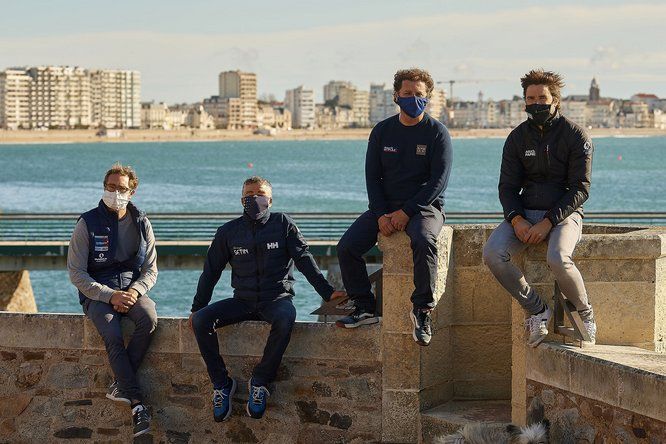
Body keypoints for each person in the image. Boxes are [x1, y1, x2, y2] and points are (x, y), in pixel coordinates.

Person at [188, 176, 345, 422]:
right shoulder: (228, 232)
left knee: (286, 318)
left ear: (269, 200)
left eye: (259, 193)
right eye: (248, 194)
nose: (253, 198)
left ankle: (260, 382)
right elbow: (210, 272)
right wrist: (197, 308)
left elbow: (305, 260)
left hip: (276, 299)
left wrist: (327, 292)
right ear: (241, 200)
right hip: (242, 301)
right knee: (201, 321)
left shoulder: (283, 224)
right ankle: (221, 384)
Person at [336, 68, 453, 346]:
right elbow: (372, 176)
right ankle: (365, 306)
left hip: (425, 207)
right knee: (347, 247)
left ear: (429, 98)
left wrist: (406, 212)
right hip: (385, 206)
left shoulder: (438, 133)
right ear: (396, 96)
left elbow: (438, 182)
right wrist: (380, 215)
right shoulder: (382, 131)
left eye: (419, 95)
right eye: (408, 94)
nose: (414, 99)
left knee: (424, 241)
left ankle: (422, 309)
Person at [482, 69, 596, 348]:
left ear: (555, 100)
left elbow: (580, 188)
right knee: (493, 254)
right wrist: (517, 219)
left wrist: (548, 222)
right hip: (525, 211)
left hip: (564, 214)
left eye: (542, 98)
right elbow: (507, 188)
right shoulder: (517, 138)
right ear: (524, 101)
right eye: (530, 98)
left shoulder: (575, 136)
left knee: (557, 258)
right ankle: (537, 310)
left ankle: (585, 312)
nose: (536, 103)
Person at [67, 163, 158, 437]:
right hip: (97, 293)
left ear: (132, 191)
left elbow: (151, 269)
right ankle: (137, 405)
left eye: (120, 188)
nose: (114, 193)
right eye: (110, 187)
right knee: (113, 332)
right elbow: (76, 272)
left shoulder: (142, 221)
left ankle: (121, 383)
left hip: (131, 291)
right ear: (103, 187)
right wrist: (110, 295)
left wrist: (135, 292)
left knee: (149, 320)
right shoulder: (87, 222)